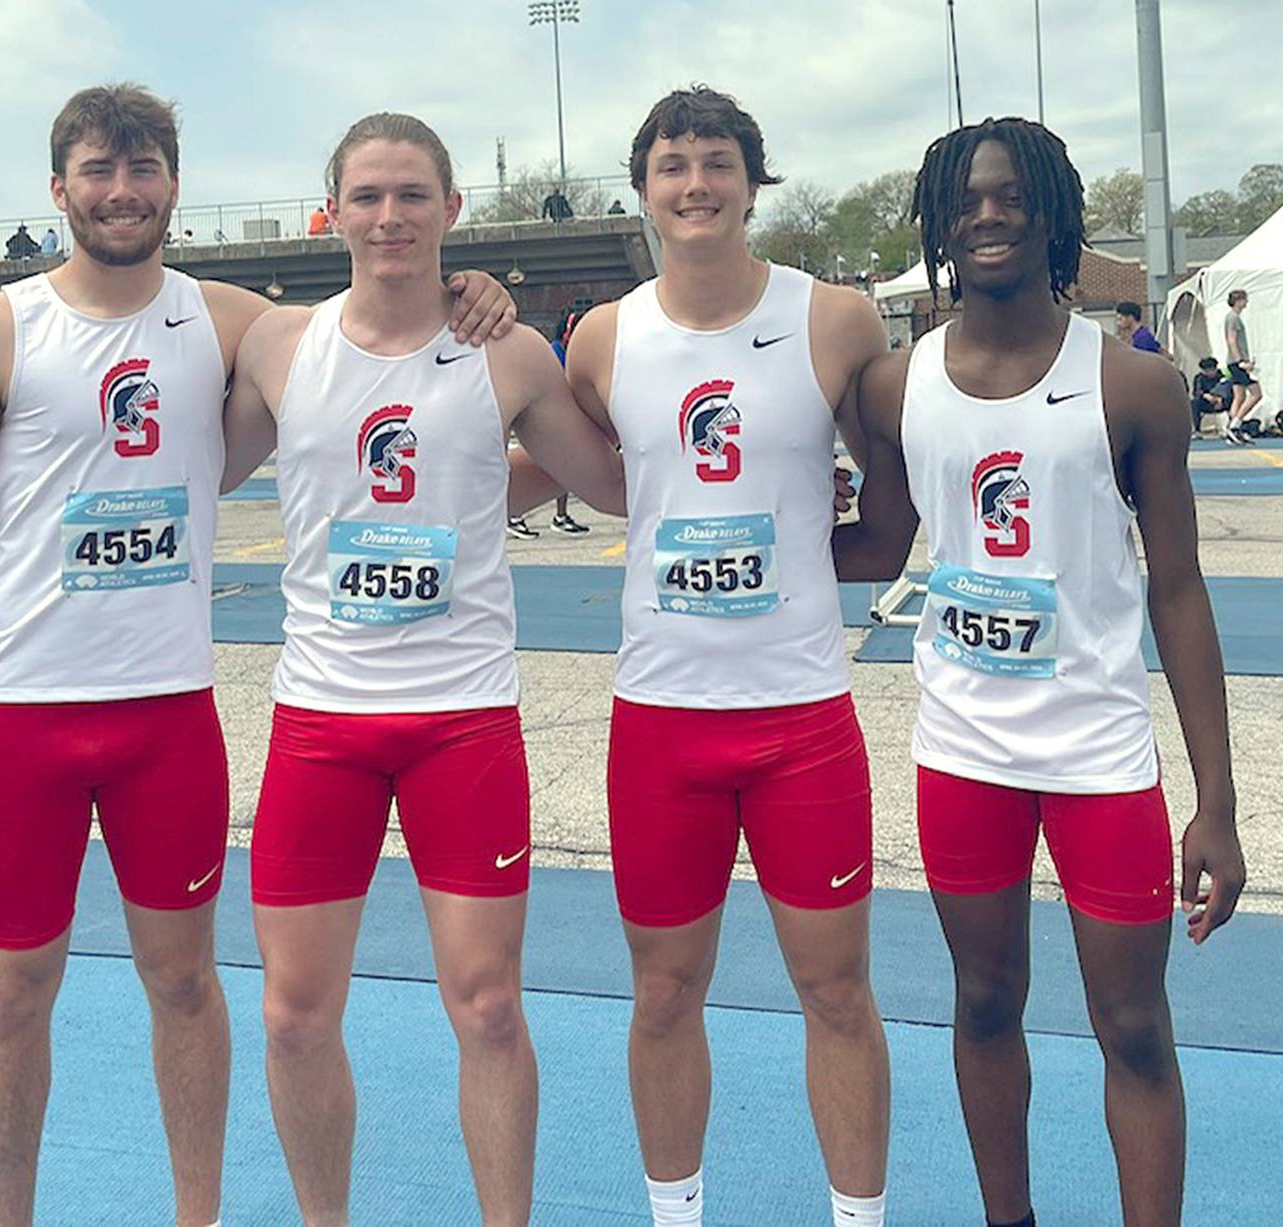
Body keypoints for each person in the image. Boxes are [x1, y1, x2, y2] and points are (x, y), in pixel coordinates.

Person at [0, 84, 515, 1227]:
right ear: (58, 189)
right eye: (98, 173)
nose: (122, 194)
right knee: (13, 993)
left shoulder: (232, 321)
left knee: (184, 983)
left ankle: (197, 1216)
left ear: (174, 183)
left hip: (167, 716)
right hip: (21, 711)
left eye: (144, 170)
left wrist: (470, 286)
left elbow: (383, 311)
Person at [834, 116, 1247, 1227]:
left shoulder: (1133, 387)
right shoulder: (889, 386)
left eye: (1012, 194)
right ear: (938, 224)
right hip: (963, 754)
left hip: (1099, 755)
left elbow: (1178, 590)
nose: (987, 214)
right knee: (982, 1004)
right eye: (965, 200)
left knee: (1133, 1028)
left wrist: (1217, 799)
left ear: (1054, 212)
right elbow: (871, 549)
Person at [218, 111, 624, 1226]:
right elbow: (183, 461)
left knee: (488, 1007)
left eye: (412, 196)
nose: (389, 216)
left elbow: (621, 483)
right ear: (334, 212)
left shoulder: (506, 351)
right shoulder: (279, 345)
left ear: (450, 210)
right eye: (368, 196)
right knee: (295, 1017)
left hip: (463, 724)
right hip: (321, 724)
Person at [559, 86, 892, 1227]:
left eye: (716, 163)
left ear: (753, 181)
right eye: (671, 165)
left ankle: (859, 1216)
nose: (694, 184)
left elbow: (895, 501)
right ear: (642, 186)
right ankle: (675, 1215)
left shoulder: (838, 319)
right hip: (661, 719)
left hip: (801, 717)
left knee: (837, 990)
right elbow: (573, 473)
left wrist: (806, 551)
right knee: (663, 993)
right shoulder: (602, 336)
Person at [549, 311, 589, 534]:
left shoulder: (572, 354)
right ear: (567, 334)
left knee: (562, 471)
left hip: (564, 419)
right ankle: (513, 516)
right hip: (547, 420)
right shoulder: (553, 354)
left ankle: (561, 515)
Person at [1223, 289, 1261, 445]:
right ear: (1238, 300)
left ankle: (1233, 430)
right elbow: (1231, 340)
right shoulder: (1233, 318)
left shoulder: (1233, 317)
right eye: (1245, 299)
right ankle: (1235, 425)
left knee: (1240, 396)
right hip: (1236, 362)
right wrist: (1241, 361)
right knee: (1256, 393)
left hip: (1234, 362)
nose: (1247, 302)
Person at [1191, 357, 1231, 436]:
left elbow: (1228, 390)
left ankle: (1230, 428)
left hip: (1222, 402)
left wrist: (1220, 399)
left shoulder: (1222, 377)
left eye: (1211, 370)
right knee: (1194, 403)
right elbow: (1197, 392)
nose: (1209, 372)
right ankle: (1197, 429)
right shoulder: (1199, 378)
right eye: (1206, 371)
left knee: (1234, 400)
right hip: (1207, 403)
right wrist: (1206, 395)